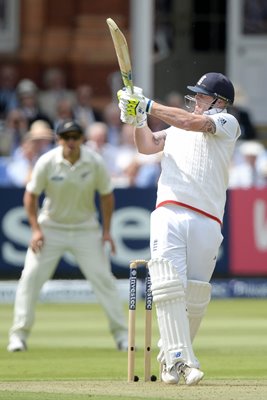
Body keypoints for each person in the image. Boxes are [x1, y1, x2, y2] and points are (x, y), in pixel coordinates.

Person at [118, 72, 241, 385]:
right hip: (169, 212)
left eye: (202, 95)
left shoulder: (227, 123)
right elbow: (146, 146)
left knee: (195, 295)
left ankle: (170, 361)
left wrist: (146, 105)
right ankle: (182, 361)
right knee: (168, 285)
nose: (196, 99)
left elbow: (192, 123)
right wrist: (136, 119)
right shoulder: (176, 128)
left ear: (220, 101)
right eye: (196, 95)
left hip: (208, 220)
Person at [7, 119, 128, 352]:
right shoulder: (47, 161)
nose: (71, 142)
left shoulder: (94, 161)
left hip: (85, 229)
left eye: (75, 137)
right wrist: (35, 230)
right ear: (59, 140)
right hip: (51, 228)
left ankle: (122, 336)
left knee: (104, 280)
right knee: (30, 278)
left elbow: (107, 195)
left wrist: (106, 231)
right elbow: (30, 196)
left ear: (82, 139)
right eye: (66, 137)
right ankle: (18, 336)